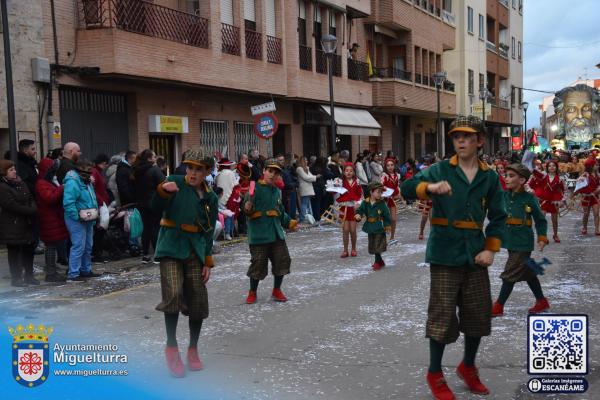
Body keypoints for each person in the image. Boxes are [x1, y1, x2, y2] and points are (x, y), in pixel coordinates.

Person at [401, 115, 507, 400]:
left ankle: (468, 366)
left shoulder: (490, 177)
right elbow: (405, 189)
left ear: (480, 141)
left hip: (475, 254)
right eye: (456, 136)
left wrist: (490, 248)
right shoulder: (439, 170)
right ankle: (435, 372)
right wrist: (429, 188)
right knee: (442, 316)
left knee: (477, 315)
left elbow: (498, 216)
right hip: (445, 253)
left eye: (467, 136)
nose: (460, 140)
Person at [152, 148, 217, 378]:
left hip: (194, 251)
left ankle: (193, 348)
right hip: (170, 246)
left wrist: (207, 261)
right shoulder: (174, 182)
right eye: (190, 168)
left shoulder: (211, 197)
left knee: (198, 300)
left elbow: (208, 232)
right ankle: (171, 347)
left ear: (208, 171)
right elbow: (153, 208)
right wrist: (162, 192)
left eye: (198, 169)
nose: (192, 173)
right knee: (173, 294)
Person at [491, 163, 550, 318]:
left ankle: (498, 306)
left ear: (522, 180)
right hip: (510, 239)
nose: (507, 179)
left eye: (511, 176)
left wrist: (542, 237)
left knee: (509, 273)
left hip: (523, 241)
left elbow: (540, 220)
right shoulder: (504, 196)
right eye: (506, 175)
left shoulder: (529, 198)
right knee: (528, 272)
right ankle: (541, 301)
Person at [243, 159, 298, 304]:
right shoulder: (254, 188)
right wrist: (247, 208)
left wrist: (289, 221)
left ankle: (277, 290)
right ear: (264, 171)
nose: (273, 175)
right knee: (258, 264)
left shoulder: (275, 191)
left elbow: (279, 212)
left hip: (275, 233)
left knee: (282, 260)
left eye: (276, 172)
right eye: (270, 171)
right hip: (259, 234)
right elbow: (247, 208)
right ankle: (252, 291)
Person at [0, 160, 38, 286]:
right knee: (14, 252)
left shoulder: (21, 183)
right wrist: (30, 211)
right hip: (13, 224)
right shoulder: (3, 187)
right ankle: (16, 278)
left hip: (27, 223)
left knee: (29, 250)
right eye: (11, 170)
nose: (14, 171)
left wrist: (33, 208)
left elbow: (30, 197)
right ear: (3, 172)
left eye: (14, 169)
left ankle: (29, 276)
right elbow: (10, 204)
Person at [63, 159, 101, 282]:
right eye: (89, 170)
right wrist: (76, 216)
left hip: (88, 217)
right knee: (78, 246)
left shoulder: (86, 181)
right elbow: (68, 203)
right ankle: (73, 273)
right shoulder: (73, 182)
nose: (91, 173)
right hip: (77, 219)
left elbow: (92, 199)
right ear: (81, 170)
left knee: (88, 246)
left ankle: (85, 270)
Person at [35, 158, 69, 283]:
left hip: (54, 217)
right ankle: (50, 273)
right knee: (50, 246)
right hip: (49, 218)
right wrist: (61, 188)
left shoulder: (48, 182)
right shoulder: (41, 183)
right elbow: (49, 198)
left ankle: (52, 271)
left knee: (53, 245)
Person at [134, 149, 166, 263]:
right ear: (149, 159)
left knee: (146, 228)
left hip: (141, 203)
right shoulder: (154, 170)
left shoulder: (137, 170)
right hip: (153, 202)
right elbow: (164, 184)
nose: (155, 158)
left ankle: (145, 255)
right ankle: (157, 254)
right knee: (155, 227)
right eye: (154, 156)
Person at [354, 181, 391, 270]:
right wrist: (358, 215)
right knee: (372, 244)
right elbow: (360, 210)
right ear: (371, 192)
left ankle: (377, 262)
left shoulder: (382, 203)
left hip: (379, 226)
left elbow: (386, 215)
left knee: (377, 245)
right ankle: (380, 261)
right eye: (378, 192)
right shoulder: (365, 202)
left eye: (381, 192)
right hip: (370, 226)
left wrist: (387, 225)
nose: (380, 194)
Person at [532, 160, 565, 242]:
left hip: (554, 202)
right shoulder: (543, 176)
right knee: (542, 219)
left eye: (553, 165)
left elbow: (562, 190)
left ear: (556, 167)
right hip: (544, 201)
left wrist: (562, 200)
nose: (552, 167)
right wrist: (531, 166)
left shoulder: (560, 179)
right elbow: (535, 173)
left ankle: (555, 235)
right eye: (549, 166)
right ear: (547, 168)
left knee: (555, 220)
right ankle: (543, 236)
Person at [336, 162, 363, 258]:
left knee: (353, 230)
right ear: (343, 172)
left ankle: (354, 249)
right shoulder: (340, 182)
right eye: (346, 171)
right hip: (344, 208)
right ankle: (345, 250)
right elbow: (335, 193)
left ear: (354, 172)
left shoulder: (357, 182)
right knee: (345, 230)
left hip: (353, 209)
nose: (348, 172)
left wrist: (358, 204)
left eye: (351, 171)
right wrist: (334, 186)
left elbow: (360, 195)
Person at [92, 154, 111, 263]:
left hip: (101, 203)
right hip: (99, 204)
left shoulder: (97, 172)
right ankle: (96, 253)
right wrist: (101, 201)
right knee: (100, 228)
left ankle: (97, 252)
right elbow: (94, 189)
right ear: (103, 162)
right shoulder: (96, 172)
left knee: (100, 228)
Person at [575, 157, 600, 235]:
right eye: (596, 164)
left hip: (595, 197)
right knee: (586, 214)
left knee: (596, 213)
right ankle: (584, 227)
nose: (598, 165)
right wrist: (582, 193)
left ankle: (597, 229)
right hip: (586, 197)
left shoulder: (597, 174)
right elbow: (579, 185)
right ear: (591, 166)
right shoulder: (585, 174)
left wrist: (597, 190)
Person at [381, 158, 401, 242]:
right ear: (385, 166)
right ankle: (382, 237)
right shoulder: (384, 175)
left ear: (394, 165)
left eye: (392, 165)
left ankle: (392, 237)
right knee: (384, 219)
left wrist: (399, 192)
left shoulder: (397, 175)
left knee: (393, 219)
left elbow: (397, 186)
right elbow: (381, 186)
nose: (390, 167)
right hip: (384, 199)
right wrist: (384, 188)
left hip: (392, 199)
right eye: (388, 165)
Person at [296, 156, 318, 222]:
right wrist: (316, 177)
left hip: (308, 188)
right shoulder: (299, 169)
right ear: (301, 161)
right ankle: (302, 218)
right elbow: (306, 177)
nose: (307, 161)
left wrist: (314, 177)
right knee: (304, 203)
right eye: (305, 160)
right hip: (304, 188)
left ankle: (310, 217)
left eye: (307, 160)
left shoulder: (306, 168)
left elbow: (310, 176)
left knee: (307, 203)